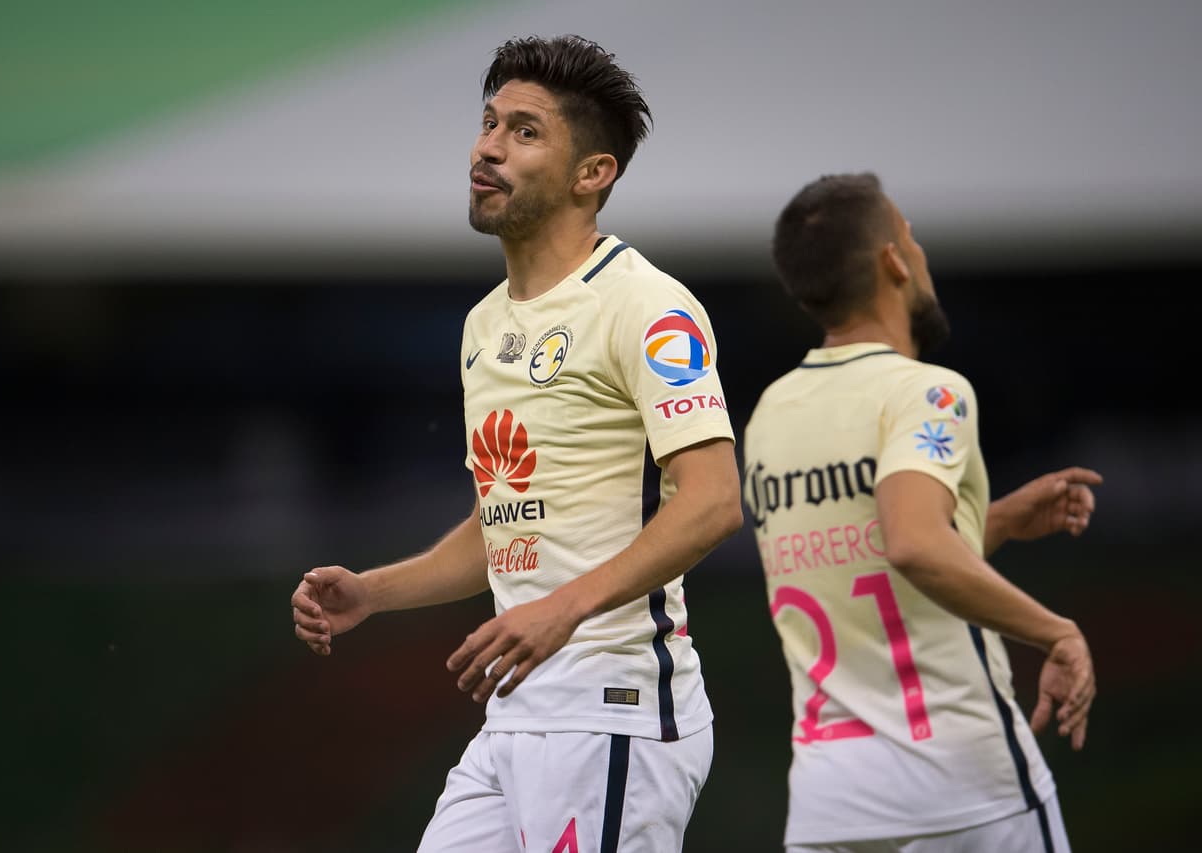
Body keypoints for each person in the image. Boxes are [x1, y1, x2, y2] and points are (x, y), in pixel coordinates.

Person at [291, 35, 742, 852]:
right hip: (516, 717)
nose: (489, 147)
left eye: (526, 131)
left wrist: (560, 612)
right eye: (489, 122)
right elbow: (503, 526)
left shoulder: (646, 306)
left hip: (614, 714)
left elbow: (712, 502)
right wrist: (374, 591)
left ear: (592, 174)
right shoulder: (484, 324)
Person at [743, 172, 1100, 853]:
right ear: (894, 261)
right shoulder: (930, 394)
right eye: (909, 233)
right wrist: (1059, 633)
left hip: (830, 804)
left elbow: (851, 555)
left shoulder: (771, 414)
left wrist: (981, 523)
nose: (920, 249)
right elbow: (910, 545)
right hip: (962, 790)